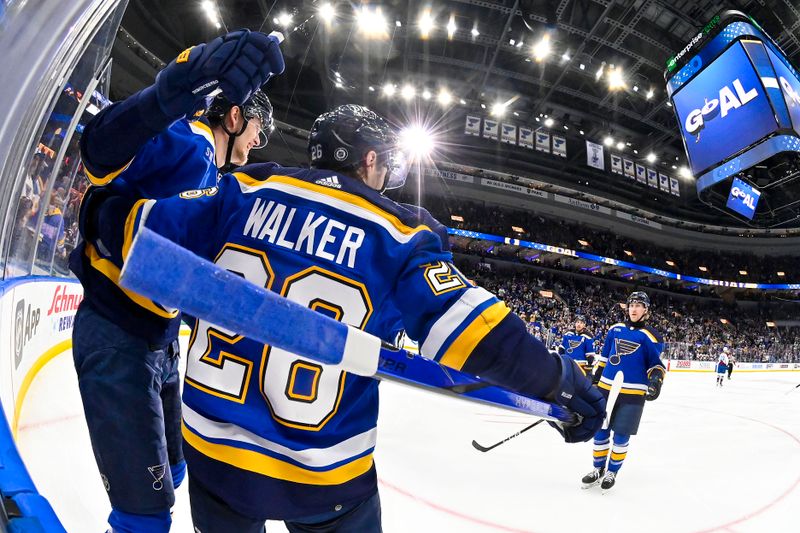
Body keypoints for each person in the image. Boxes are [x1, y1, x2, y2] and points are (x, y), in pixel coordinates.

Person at [78, 104, 606, 532]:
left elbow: (139, 235)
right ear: (369, 160)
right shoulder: (400, 232)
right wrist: (557, 381)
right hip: (323, 475)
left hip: (216, 459)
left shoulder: (244, 188)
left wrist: (99, 211)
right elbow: (470, 333)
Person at [69, 29, 284, 533]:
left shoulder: (216, 174)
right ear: (234, 116)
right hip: (119, 334)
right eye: (257, 129)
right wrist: (172, 92)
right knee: (143, 517)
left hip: (161, 345)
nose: (256, 142)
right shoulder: (188, 140)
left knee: (176, 471)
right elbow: (98, 149)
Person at [582, 291, 665, 492]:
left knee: (621, 435)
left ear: (646, 310)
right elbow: (603, 358)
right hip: (607, 389)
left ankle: (612, 472)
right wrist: (594, 381)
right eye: (631, 305)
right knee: (600, 431)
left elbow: (656, 366)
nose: (634, 309)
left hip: (633, 394)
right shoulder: (614, 330)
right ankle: (597, 469)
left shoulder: (652, 336)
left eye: (638, 305)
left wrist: (655, 383)